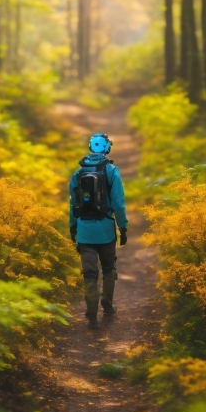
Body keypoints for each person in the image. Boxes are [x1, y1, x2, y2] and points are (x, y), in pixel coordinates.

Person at [69, 132, 129, 329]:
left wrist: (73, 227)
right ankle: (108, 303)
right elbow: (118, 203)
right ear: (107, 148)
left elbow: (73, 204)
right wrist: (123, 226)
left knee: (90, 274)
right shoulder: (112, 171)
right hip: (105, 231)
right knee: (109, 268)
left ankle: (92, 315)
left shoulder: (77, 174)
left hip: (84, 232)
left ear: (90, 148)